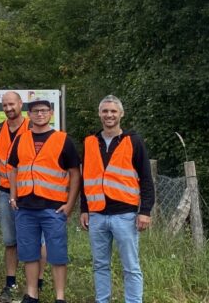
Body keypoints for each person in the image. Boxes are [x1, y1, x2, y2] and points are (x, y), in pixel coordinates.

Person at [80, 95, 155, 303]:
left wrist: (145, 211)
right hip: (97, 215)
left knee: (131, 266)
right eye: (105, 111)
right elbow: (86, 177)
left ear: (121, 114)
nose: (109, 115)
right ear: (99, 114)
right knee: (100, 265)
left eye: (113, 111)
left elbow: (146, 179)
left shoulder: (134, 141)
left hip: (126, 215)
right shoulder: (89, 142)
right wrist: (84, 209)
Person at [9, 99, 82, 303]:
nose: (39, 114)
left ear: (50, 113)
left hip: (53, 208)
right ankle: (32, 294)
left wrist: (70, 204)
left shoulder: (63, 140)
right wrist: (13, 195)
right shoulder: (21, 139)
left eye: (43, 111)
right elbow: (13, 168)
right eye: (35, 111)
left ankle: (60, 297)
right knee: (29, 253)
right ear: (29, 115)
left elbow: (75, 173)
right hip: (25, 208)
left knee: (57, 255)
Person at [0, 91, 41, 301]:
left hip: (31, 194)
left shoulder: (33, 128)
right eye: (5, 105)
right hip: (5, 193)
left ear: (21, 104)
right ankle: (10, 282)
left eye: (12, 104)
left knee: (35, 241)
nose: (9, 108)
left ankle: (37, 283)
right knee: (10, 241)